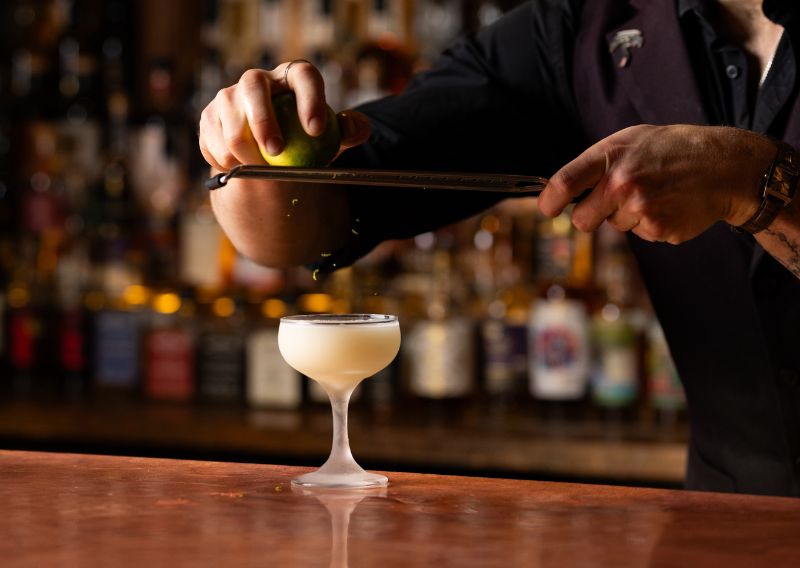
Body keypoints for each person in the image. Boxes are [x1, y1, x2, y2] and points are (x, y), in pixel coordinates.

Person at [199, 0, 800, 497]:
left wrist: (754, 181)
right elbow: (308, 224)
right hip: (727, 519)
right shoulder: (585, 28)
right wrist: (248, 148)